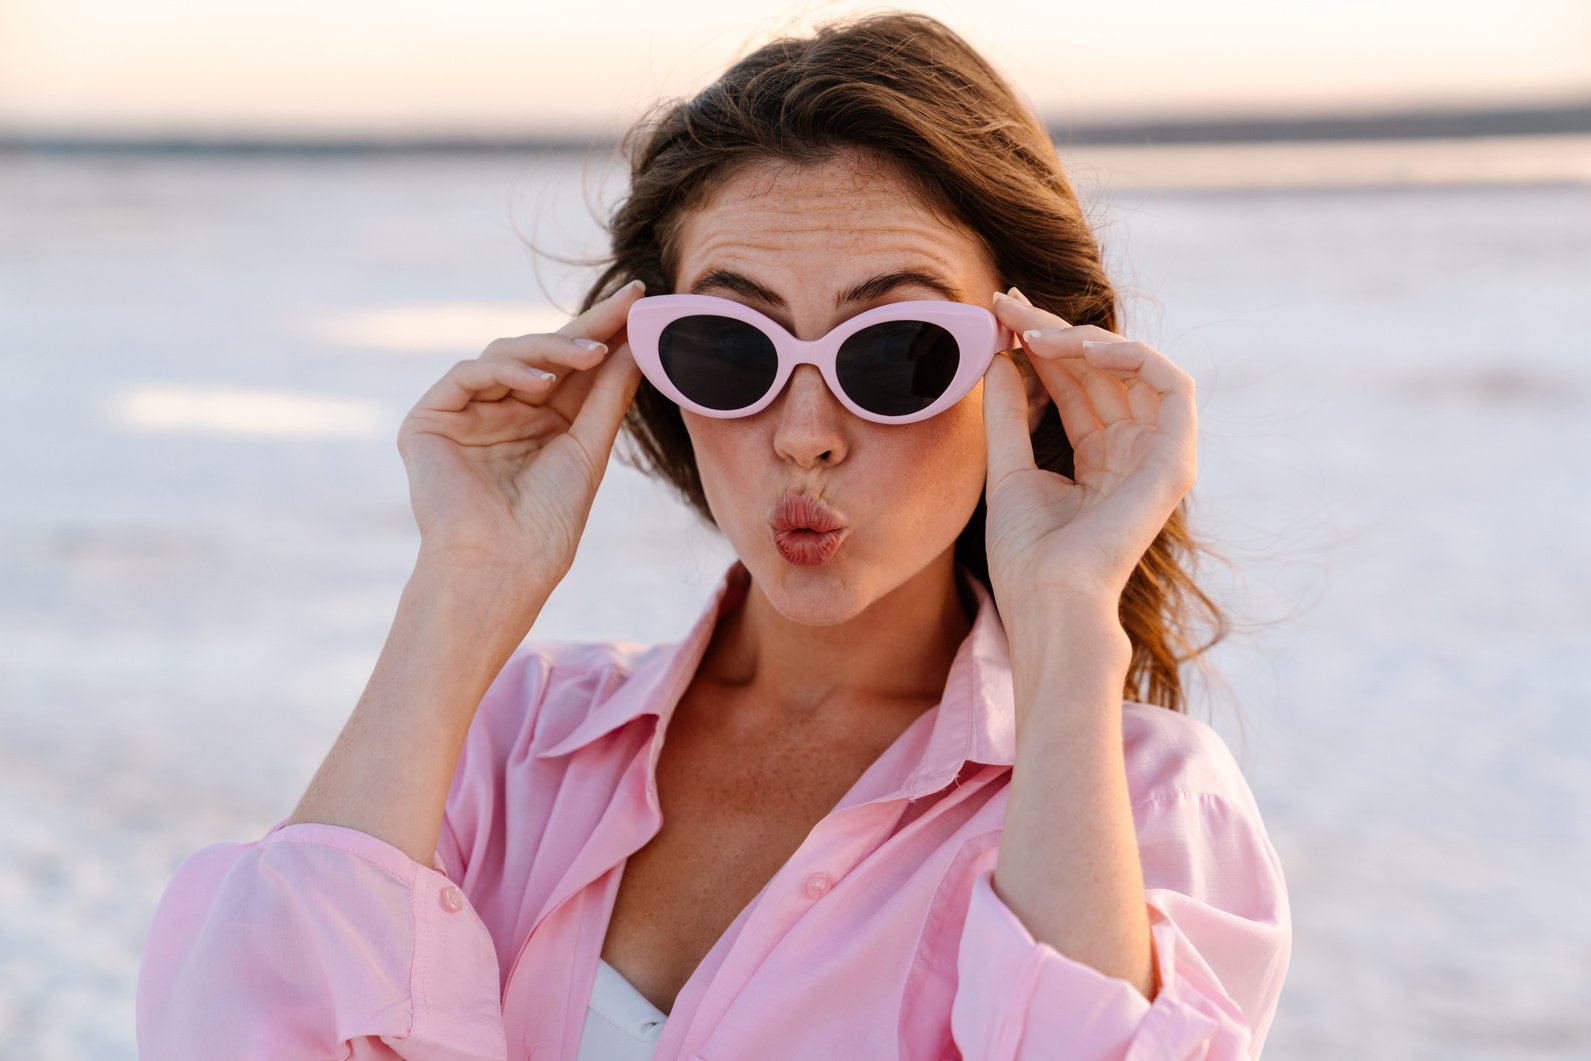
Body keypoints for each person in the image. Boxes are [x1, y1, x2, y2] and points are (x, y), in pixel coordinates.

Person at [136, 11, 1290, 1059]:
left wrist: (1067, 629)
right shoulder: (514, 741)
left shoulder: (1140, 804)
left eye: (895, 354)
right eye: (730, 350)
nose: (803, 435)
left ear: (1031, 373)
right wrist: (463, 584)